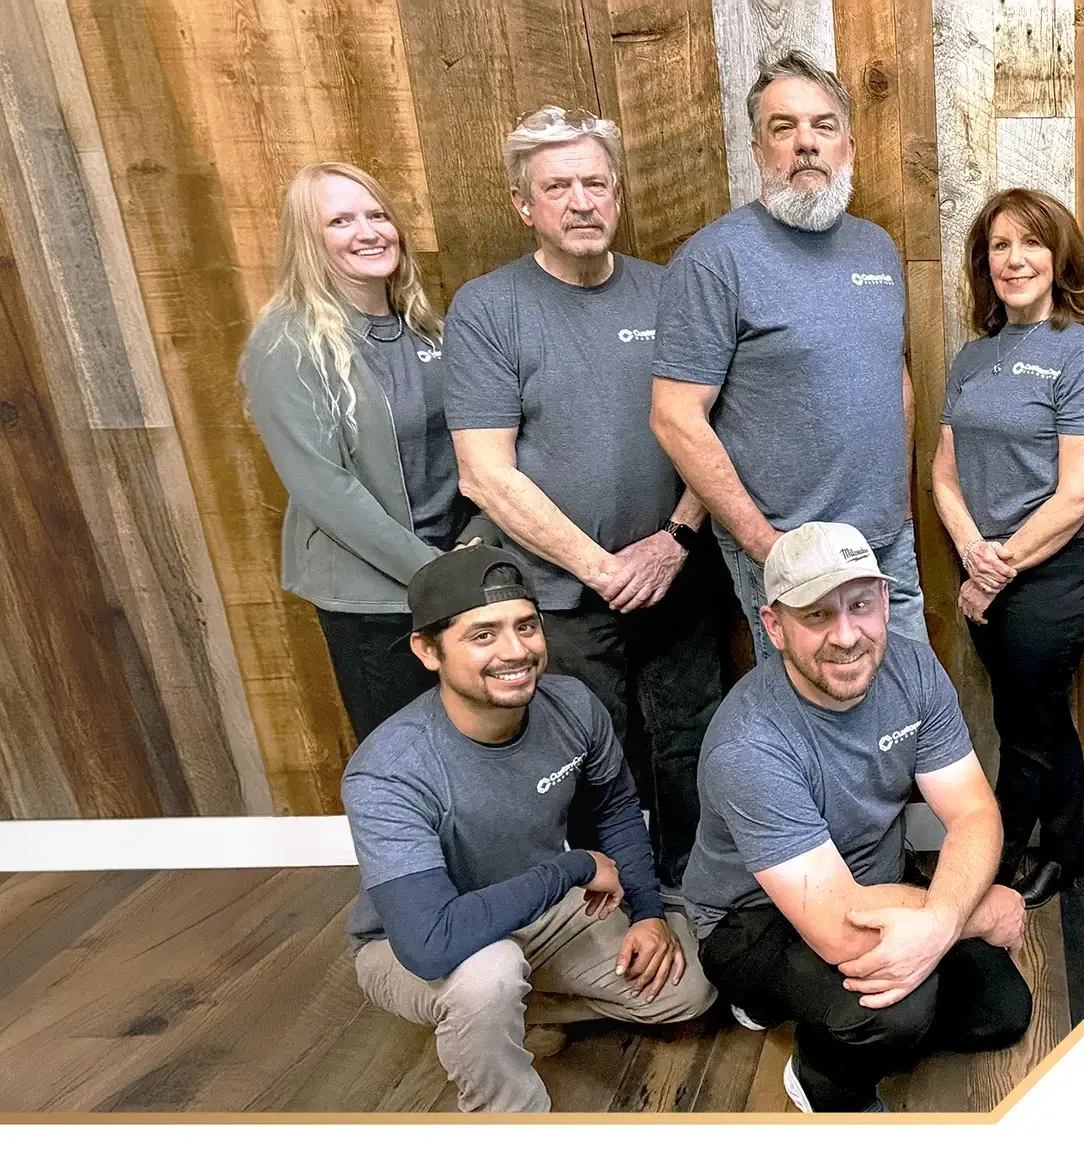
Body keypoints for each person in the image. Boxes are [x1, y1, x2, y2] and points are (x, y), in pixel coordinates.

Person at [445, 107, 729, 888]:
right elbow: (484, 472)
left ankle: (693, 892)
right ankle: (611, 894)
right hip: (561, 591)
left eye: (595, 183)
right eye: (558, 186)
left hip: (676, 569)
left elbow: (714, 429)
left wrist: (673, 539)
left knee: (688, 739)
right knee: (579, 748)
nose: (580, 201)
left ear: (617, 194)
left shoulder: (669, 292)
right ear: (522, 204)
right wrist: (602, 568)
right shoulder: (488, 307)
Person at [344, 545, 715, 1114]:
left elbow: (616, 807)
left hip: (538, 909)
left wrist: (646, 913)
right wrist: (575, 866)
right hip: (413, 942)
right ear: (427, 650)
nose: (516, 651)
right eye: (483, 635)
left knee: (688, 988)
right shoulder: (390, 769)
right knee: (486, 976)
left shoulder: (570, 705)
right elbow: (430, 941)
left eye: (527, 626)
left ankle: (512, 1009)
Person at [681, 522, 1033, 1113]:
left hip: (874, 886)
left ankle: (825, 1011)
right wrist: (973, 916)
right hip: (753, 920)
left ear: (884, 604)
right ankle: (823, 1080)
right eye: (816, 616)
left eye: (861, 605)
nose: (847, 635)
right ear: (774, 627)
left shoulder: (914, 671)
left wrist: (942, 916)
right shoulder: (749, 745)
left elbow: (972, 810)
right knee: (897, 1007)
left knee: (999, 1012)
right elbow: (839, 929)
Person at [652, 50, 926, 661]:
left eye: (823, 127)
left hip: (886, 547)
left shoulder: (877, 249)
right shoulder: (714, 259)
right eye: (784, 128)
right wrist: (763, 544)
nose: (806, 144)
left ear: (847, 147)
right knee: (817, 730)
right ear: (758, 150)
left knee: (909, 712)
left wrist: (901, 510)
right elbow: (674, 417)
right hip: (789, 557)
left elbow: (894, 381)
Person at [931, 188, 1084, 908]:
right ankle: (1069, 852)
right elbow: (941, 473)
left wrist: (995, 568)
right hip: (984, 562)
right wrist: (975, 550)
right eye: (998, 246)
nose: (1013, 259)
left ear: (1057, 256)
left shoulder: (1082, 357)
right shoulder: (971, 358)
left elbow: (1078, 494)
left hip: (1054, 569)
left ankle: (994, 858)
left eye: (1030, 243)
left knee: (1027, 718)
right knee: (1033, 715)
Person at [243, 162, 467, 739]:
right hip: (378, 601)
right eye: (340, 220)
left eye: (377, 215)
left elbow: (472, 448)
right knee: (406, 765)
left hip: (456, 574)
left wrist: (471, 550)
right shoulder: (288, 341)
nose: (367, 232)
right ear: (309, 241)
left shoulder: (423, 327)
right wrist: (434, 573)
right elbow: (324, 488)